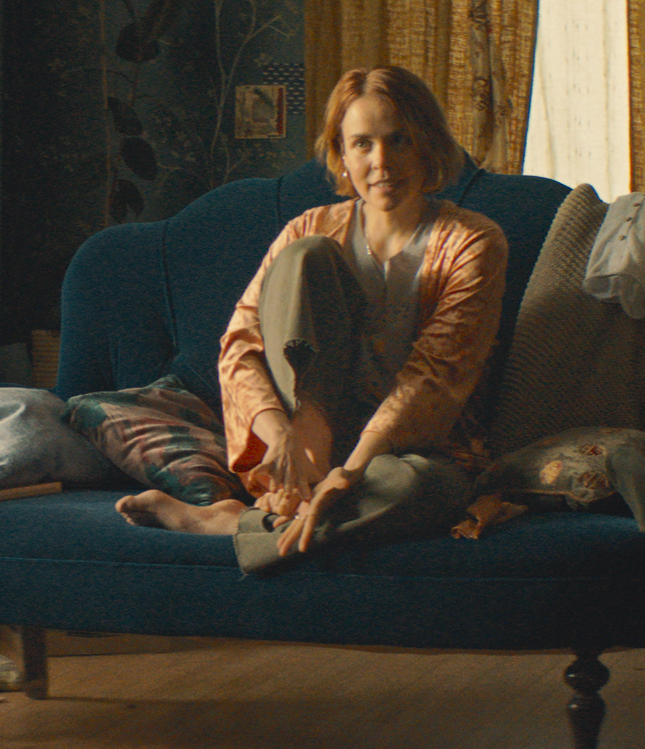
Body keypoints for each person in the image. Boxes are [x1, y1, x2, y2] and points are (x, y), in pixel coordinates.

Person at [117, 66, 508, 570]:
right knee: (306, 256)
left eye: (399, 140)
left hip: (403, 452)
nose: (381, 161)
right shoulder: (309, 225)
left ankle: (228, 524)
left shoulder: (474, 242)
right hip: (303, 442)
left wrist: (352, 470)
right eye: (362, 144)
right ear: (342, 155)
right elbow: (240, 345)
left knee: (416, 487)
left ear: (427, 144)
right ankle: (305, 476)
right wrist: (284, 439)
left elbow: (435, 377)